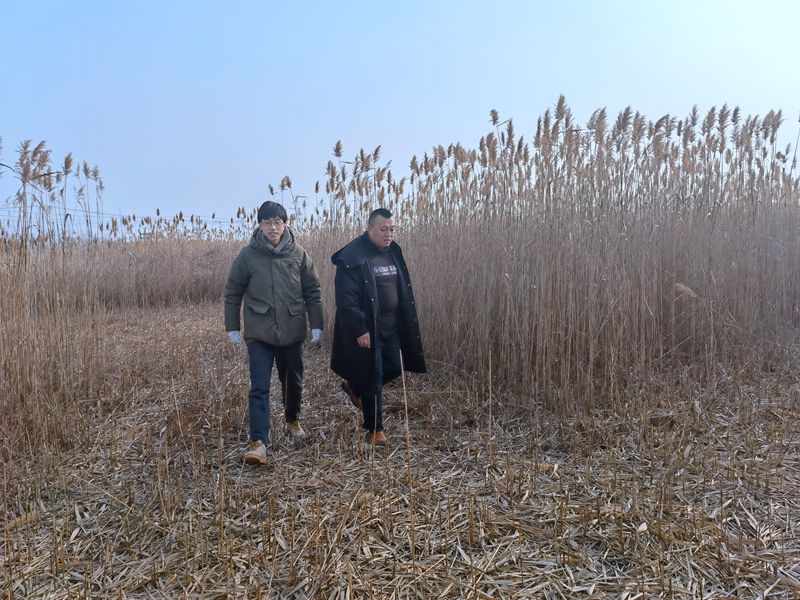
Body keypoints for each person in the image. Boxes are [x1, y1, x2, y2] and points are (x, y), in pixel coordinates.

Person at [225, 200, 323, 465]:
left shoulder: (298, 254)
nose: (273, 228)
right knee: (259, 386)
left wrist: (317, 324)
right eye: (267, 222)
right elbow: (233, 293)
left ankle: (292, 420)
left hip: (292, 330)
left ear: (285, 224)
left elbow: (313, 291)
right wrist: (232, 327)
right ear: (259, 225)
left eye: (277, 222)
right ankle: (258, 442)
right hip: (260, 332)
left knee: (293, 381)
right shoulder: (248, 256)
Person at [330, 208, 426, 446]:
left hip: (392, 324)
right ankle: (376, 430)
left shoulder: (393, 251)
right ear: (370, 228)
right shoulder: (352, 255)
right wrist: (359, 328)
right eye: (383, 229)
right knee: (374, 374)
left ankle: (355, 386)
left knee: (394, 367)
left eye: (392, 229)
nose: (388, 234)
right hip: (369, 326)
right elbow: (346, 299)